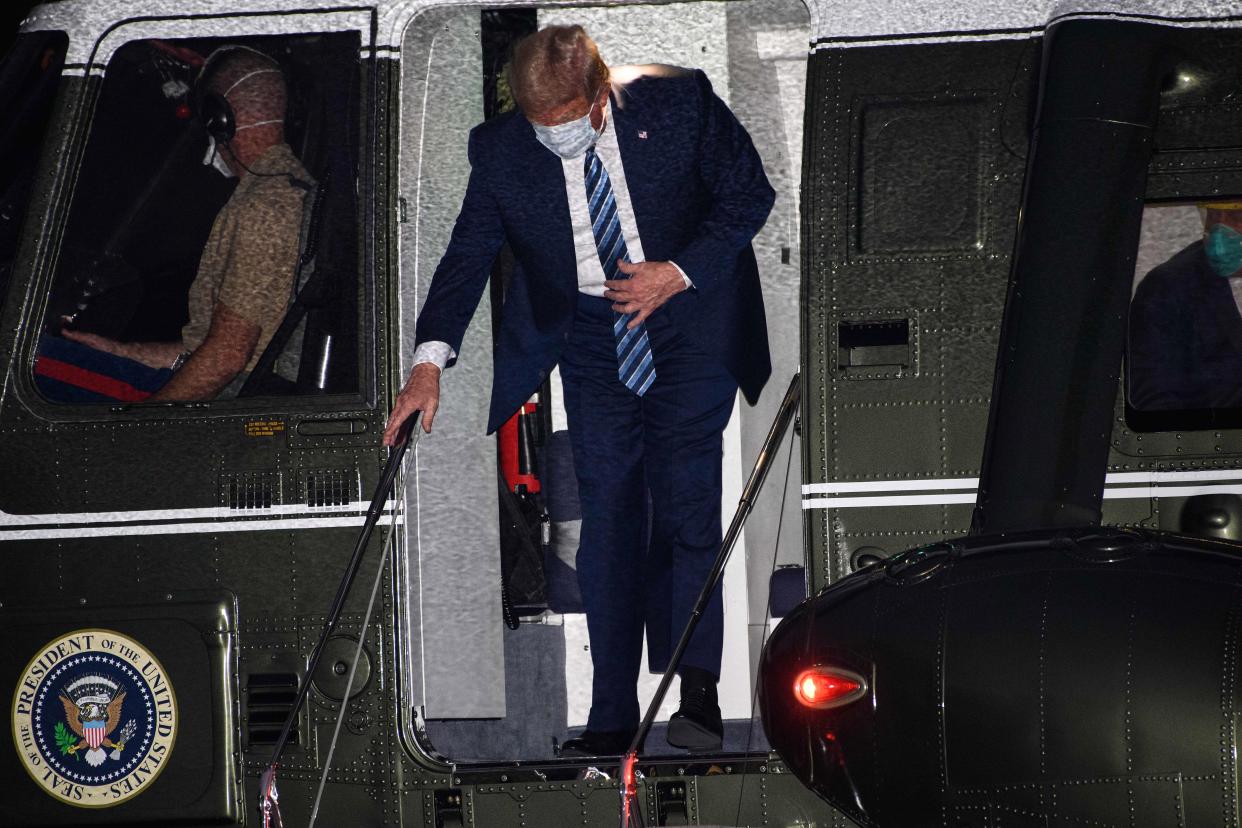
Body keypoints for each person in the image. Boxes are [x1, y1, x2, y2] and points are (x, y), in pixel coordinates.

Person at [383, 25, 774, 756]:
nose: (551, 139)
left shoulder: (680, 102)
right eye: (539, 126)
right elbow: (468, 253)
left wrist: (677, 270)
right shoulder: (500, 150)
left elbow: (749, 197)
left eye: (565, 122)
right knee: (608, 515)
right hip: (593, 338)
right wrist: (428, 362)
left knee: (687, 503)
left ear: (600, 97)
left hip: (688, 319)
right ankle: (611, 717)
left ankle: (695, 691)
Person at [60, 46, 314, 401]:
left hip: (226, 404)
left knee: (33, 366)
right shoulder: (277, 189)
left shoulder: (266, 204)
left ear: (218, 117)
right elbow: (205, 350)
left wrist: (138, 435)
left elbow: (228, 357)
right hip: (226, 391)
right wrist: (118, 352)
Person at [1128, 201, 1242, 410]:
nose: (1220, 230)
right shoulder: (1168, 288)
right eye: (1214, 217)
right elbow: (1152, 402)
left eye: (1236, 218)